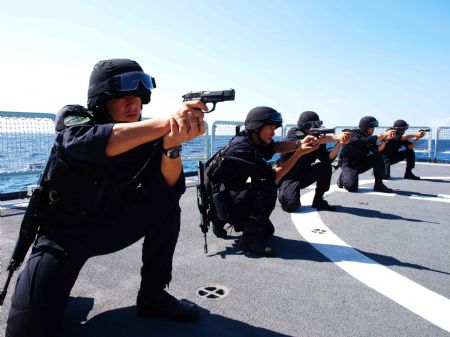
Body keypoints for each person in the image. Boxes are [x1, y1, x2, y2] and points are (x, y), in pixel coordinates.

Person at [6, 59, 206, 337]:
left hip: (107, 229)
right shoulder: (75, 118)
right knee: (26, 331)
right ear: (101, 100)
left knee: (166, 205)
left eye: (138, 97)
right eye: (124, 97)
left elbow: (169, 189)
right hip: (61, 237)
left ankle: (153, 294)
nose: (133, 104)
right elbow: (82, 141)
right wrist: (167, 123)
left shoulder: (147, 136)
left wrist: (171, 146)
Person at [207, 106, 318, 257]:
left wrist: (298, 143)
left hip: (223, 195)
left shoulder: (249, 138)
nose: (274, 132)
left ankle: (221, 220)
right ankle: (248, 239)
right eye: (270, 127)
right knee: (268, 185)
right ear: (257, 127)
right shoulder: (242, 149)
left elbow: (275, 147)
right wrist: (299, 153)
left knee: (267, 231)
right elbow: (274, 176)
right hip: (224, 201)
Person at [277, 111, 351, 212]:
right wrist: (335, 137)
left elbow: (328, 158)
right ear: (303, 126)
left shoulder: (319, 140)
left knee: (325, 167)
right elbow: (306, 141)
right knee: (291, 206)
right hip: (288, 177)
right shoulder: (294, 132)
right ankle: (285, 191)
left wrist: (340, 143)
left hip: (304, 175)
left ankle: (318, 200)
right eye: (312, 126)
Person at [337, 116, 396, 193]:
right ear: (365, 127)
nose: (373, 129)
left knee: (377, 157)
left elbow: (376, 150)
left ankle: (379, 185)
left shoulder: (369, 137)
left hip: (360, 163)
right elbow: (363, 141)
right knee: (351, 187)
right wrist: (384, 135)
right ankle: (342, 178)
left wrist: (384, 141)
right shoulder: (352, 135)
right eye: (371, 127)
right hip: (349, 165)